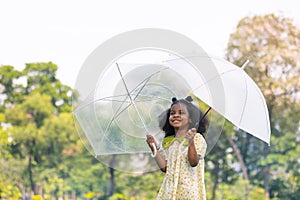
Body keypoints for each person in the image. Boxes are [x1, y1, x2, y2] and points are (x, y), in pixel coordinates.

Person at [146, 96, 209, 200]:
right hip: (169, 192)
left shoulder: (197, 138)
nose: (176, 115)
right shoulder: (168, 142)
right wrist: (154, 148)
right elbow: (165, 168)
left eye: (181, 113)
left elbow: (193, 162)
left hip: (189, 193)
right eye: (172, 113)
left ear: (190, 119)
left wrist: (190, 141)